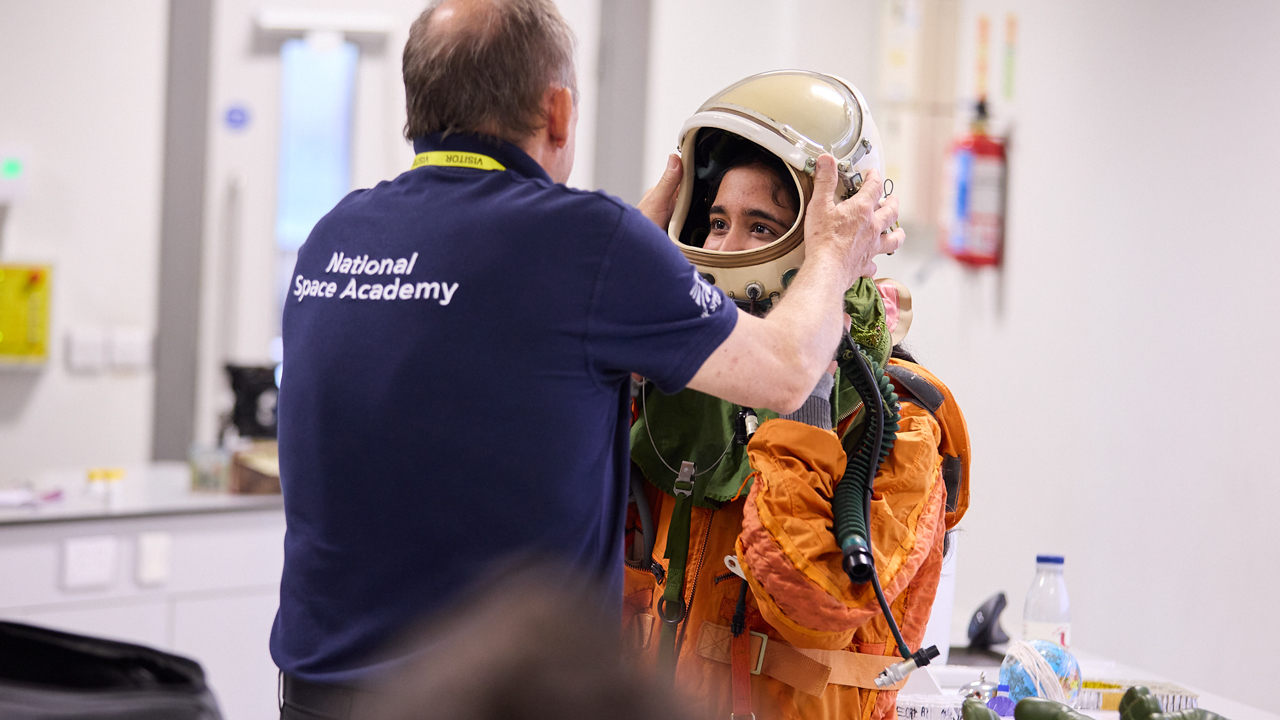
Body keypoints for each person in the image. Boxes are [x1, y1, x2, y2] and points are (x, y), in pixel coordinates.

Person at [271, 1, 902, 713]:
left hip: (318, 695)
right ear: (560, 111)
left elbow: (501, 340)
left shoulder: (335, 234)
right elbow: (788, 373)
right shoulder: (585, 245)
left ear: (414, 103)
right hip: (492, 701)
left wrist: (627, 270)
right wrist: (834, 255)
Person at [622, 71, 972, 720]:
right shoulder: (670, 396)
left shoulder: (898, 424)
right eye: (718, 221)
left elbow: (816, 607)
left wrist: (803, 402)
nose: (726, 248)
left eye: (761, 227)